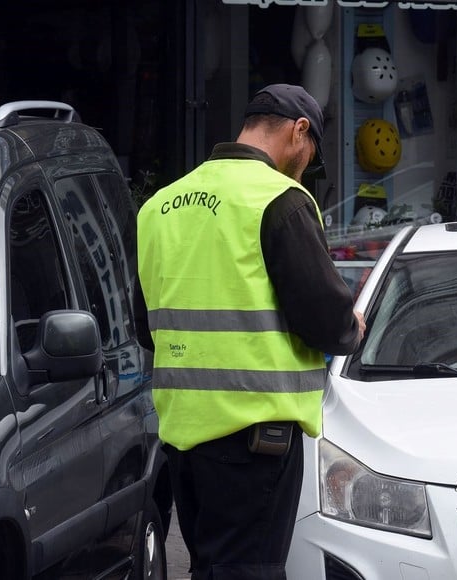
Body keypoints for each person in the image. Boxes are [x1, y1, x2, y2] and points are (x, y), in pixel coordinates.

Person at [133, 83, 366, 580]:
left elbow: (146, 326)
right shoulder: (280, 200)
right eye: (310, 156)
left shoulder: (160, 207)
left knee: (211, 569)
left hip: (183, 441)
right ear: (299, 131)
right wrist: (353, 327)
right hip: (255, 442)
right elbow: (327, 321)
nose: (305, 169)